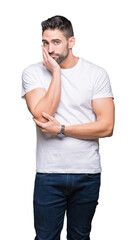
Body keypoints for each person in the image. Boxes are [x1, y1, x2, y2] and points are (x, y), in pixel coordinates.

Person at [21, 15, 115, 240]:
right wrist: (56, 72)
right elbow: (44, 114)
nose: (49, 48)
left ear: (71, 42)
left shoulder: (96, 73)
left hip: (87, 173)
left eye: (56, 42)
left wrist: (62, 129)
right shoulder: (32, 73)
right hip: (48, 174)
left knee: (80, 237)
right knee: (45, 238)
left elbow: (106, 126)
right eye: (45, 42)